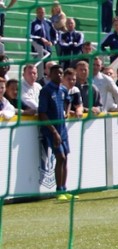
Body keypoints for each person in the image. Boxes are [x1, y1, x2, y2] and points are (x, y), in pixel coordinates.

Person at [38, 64, 77, 201]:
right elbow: (42, 113)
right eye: (56, 73)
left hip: (63, 129)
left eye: (61, 73)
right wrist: (54, 132)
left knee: (65, 158)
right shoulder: (46, 91)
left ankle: (64, 188)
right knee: (60, 157)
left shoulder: (63, 90)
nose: (59, 75)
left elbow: (68, 101)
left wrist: (66, 112)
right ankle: (58, 190)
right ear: (50, 75)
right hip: (52, 130)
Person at [30, 6, 57, 77]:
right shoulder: (33, 23)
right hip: (37, 51)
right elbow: (29, 35)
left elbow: (55, 35)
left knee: (47, 69)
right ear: (36, 13)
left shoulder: (48, 22)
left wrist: (52, 42)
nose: (41, 14)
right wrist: (40, 38)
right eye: (39, 12)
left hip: (47, 50)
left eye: (42, 12)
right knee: (38, 69)